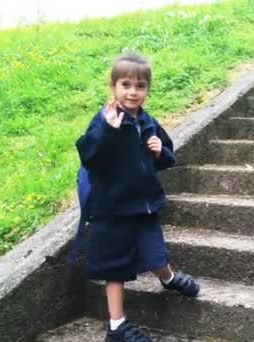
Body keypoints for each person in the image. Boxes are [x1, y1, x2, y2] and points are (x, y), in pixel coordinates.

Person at [75, 52, 201, 342]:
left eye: (140, 86)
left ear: (147, 89)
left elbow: (167, 158)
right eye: (126, 85)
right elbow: (91, 157)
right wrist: (108, 131)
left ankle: (168, 278)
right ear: (113, 86)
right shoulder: (105, 120)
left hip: (143, 206)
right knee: (115, 265)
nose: (133, 92)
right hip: (112, 209)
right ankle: (116, 325)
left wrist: (160, 151)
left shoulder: (147, 120)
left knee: (155, 250)